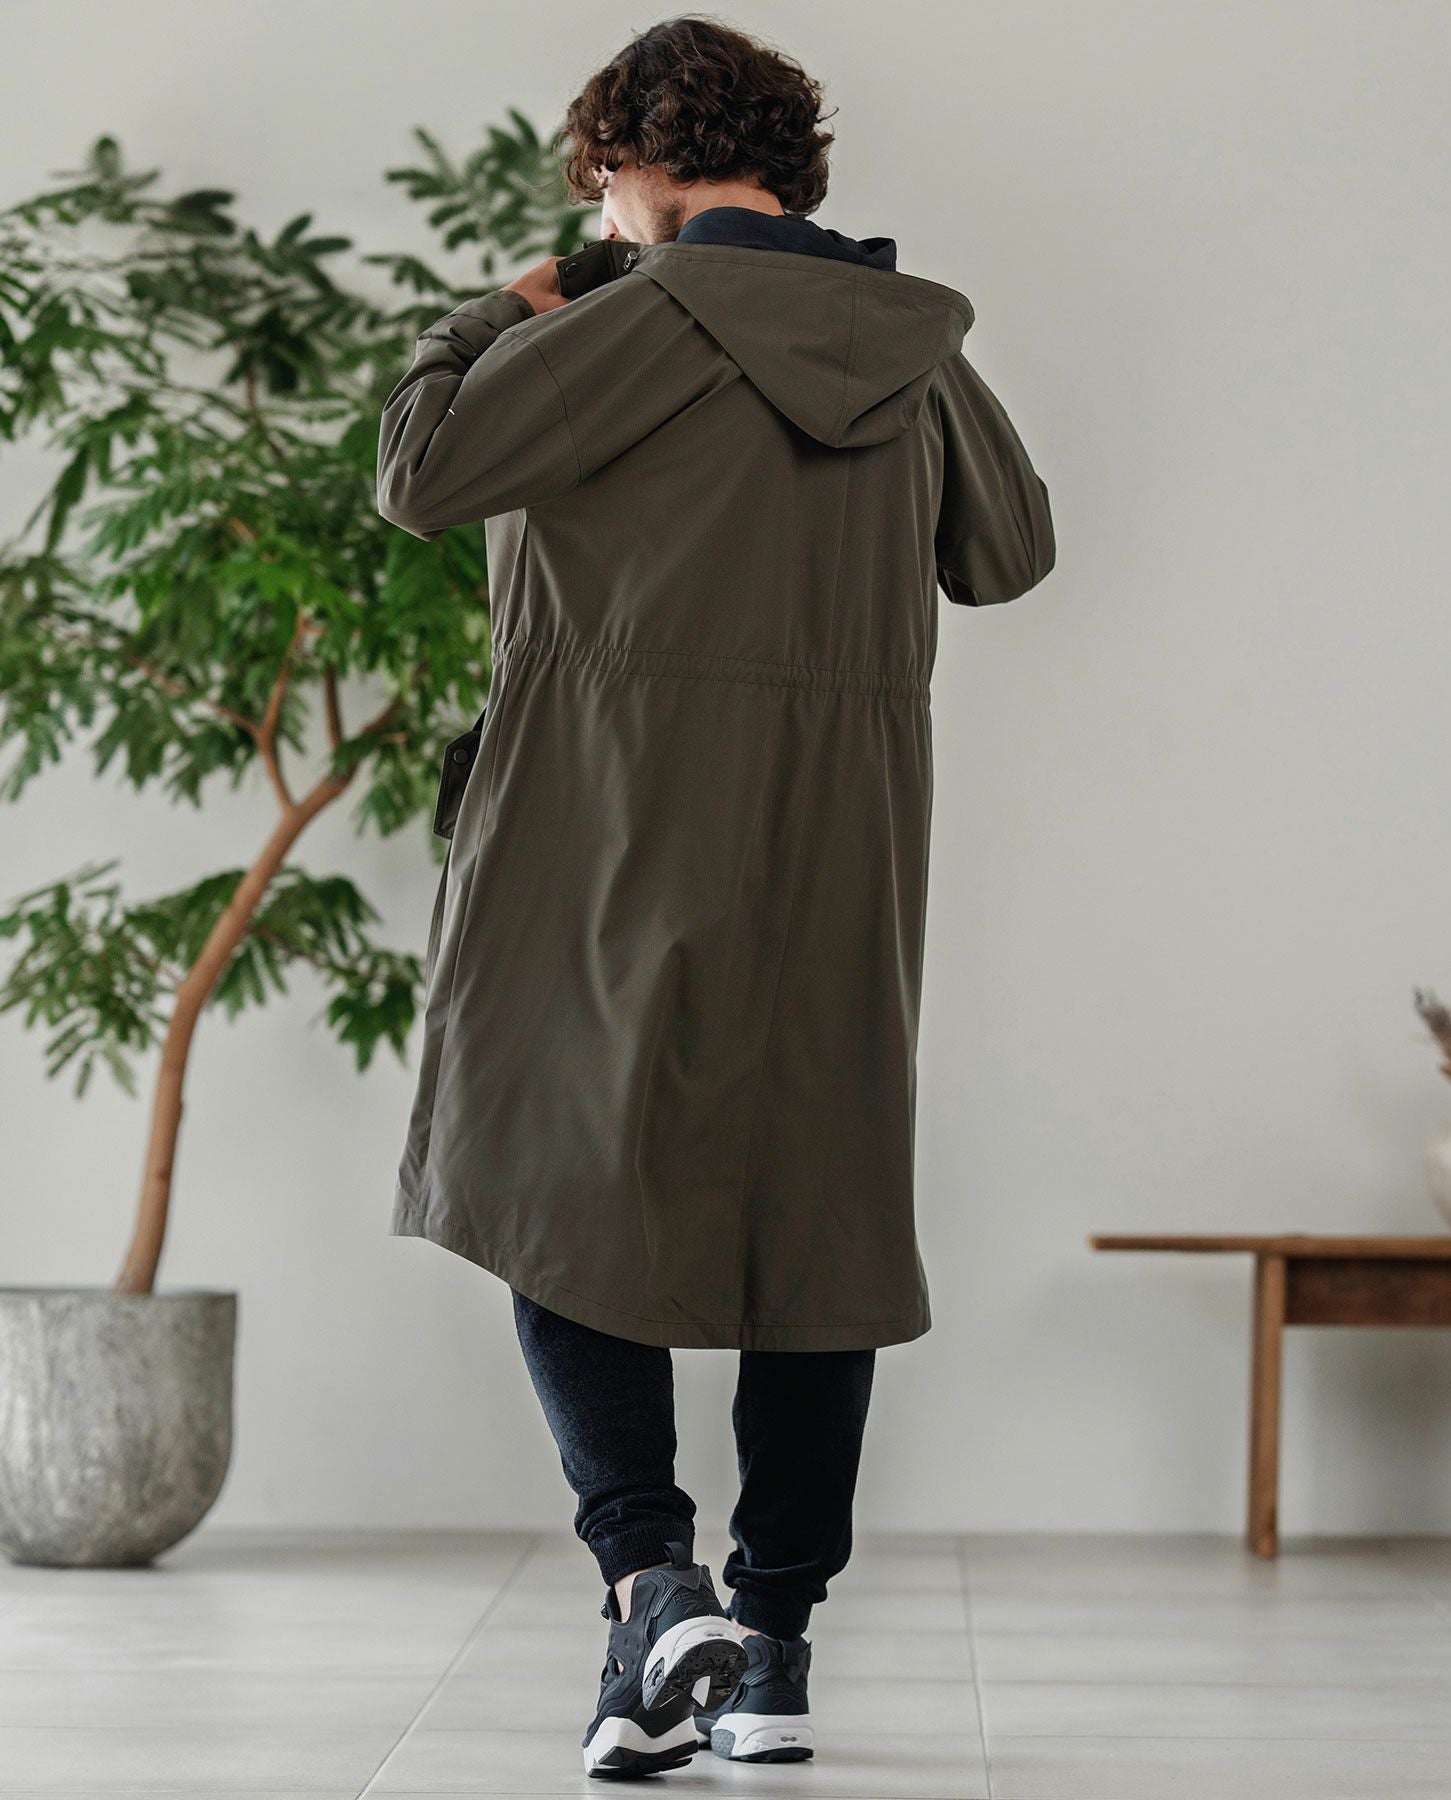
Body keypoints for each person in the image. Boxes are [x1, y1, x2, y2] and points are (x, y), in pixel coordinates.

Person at [376, 14, 1056, 1780]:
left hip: (600, 820)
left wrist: (498, 311)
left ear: (636, 170)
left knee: (548, 1175)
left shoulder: (625, 318)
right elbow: (1010, 552)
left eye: (601, 187)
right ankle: (769, 1653)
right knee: (812, 1226)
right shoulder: (908, 341)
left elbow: (421, 473)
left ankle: (651, 1577)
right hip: (840, 842)